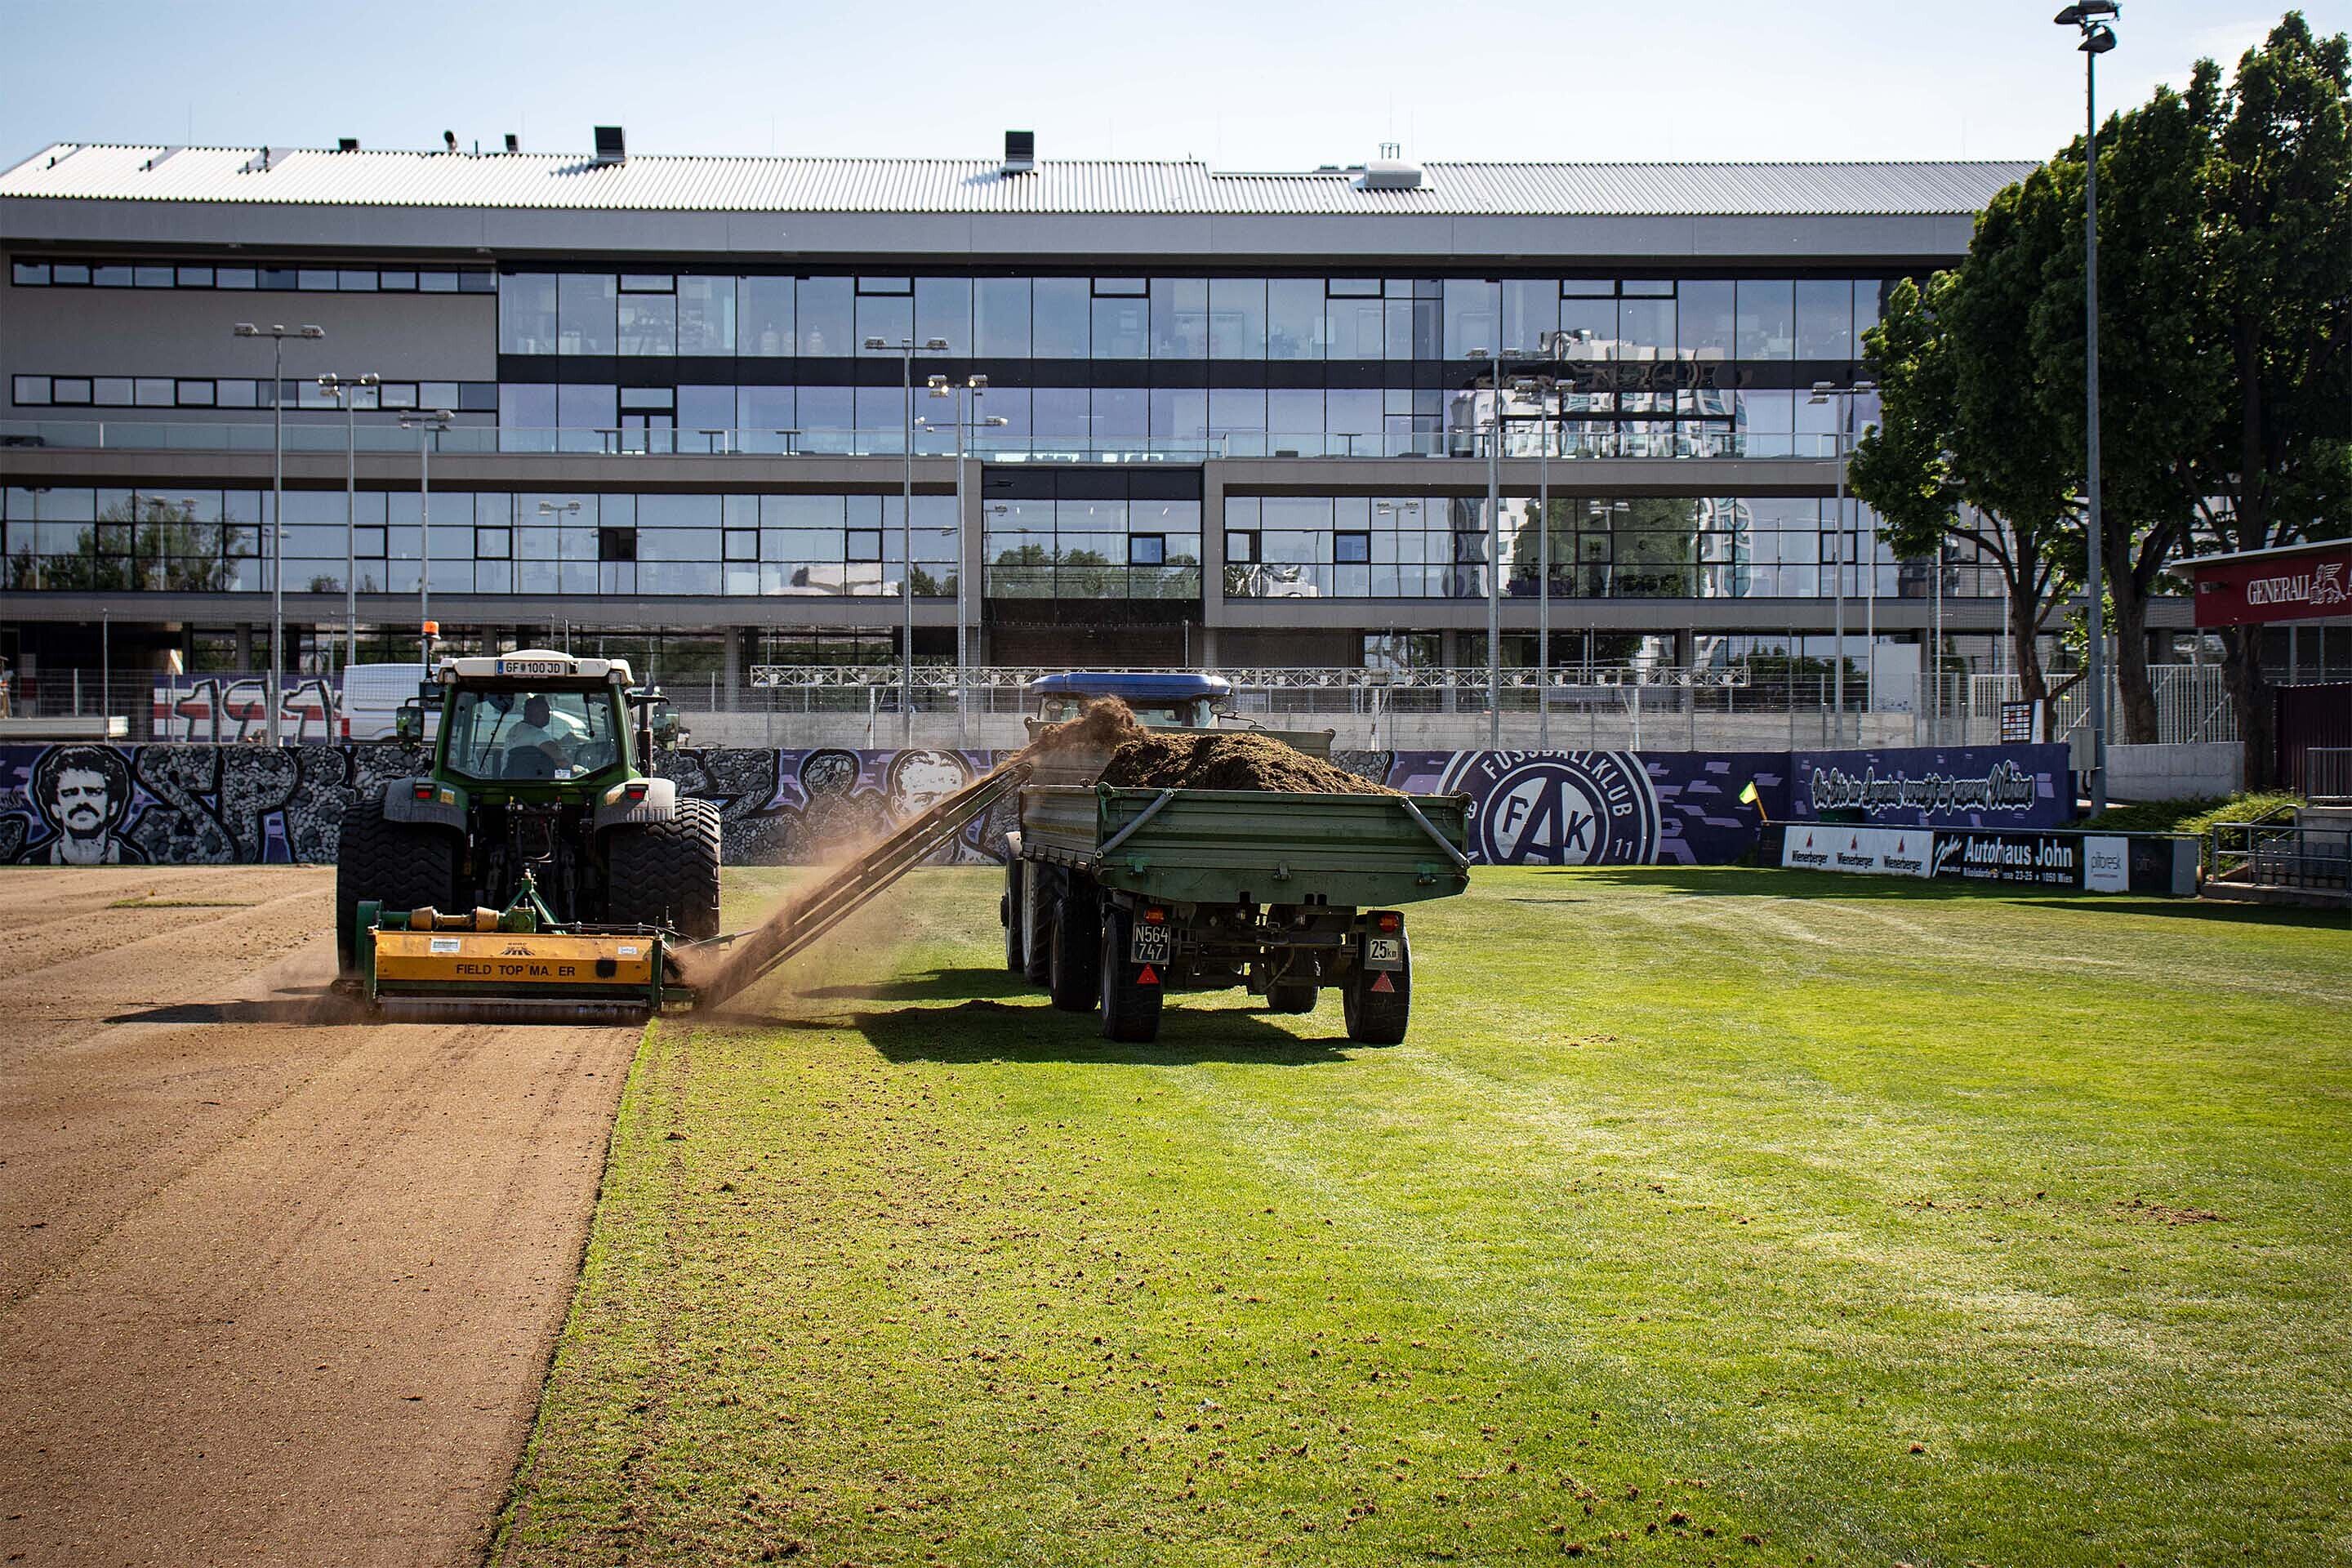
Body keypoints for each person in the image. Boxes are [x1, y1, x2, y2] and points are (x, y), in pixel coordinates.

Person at [18, 744, 145, 864]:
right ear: (55, 808)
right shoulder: (34, 861)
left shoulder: (132, 860)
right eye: (69, 793)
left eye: (93, 792)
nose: (81, 801)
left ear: (113, 806)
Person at [501, 693, 587, 774]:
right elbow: (560, 759)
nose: (548, 716)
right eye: (543, 712)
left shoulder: (516, 729)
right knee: (576, 775)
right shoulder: (537, 734)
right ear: (530, 713)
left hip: (511, 776)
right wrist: (575, 768)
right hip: (540, 779)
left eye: (548, 712)